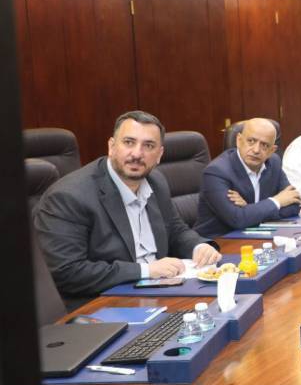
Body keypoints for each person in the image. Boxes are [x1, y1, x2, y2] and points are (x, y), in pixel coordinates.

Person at [34, 111, 221, 309]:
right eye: (129, 142)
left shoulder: (156, 181)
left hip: (160, 292)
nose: (137, 154)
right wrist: (145, 271)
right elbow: (68, 272)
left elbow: (175, 229)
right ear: (111, 146)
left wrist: (198, 247)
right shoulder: (69, 196)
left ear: (159, 155)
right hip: (104, 305)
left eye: (148, 146)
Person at [194, 118, 301, 237]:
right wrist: (277, 201)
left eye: (264, 145)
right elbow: (237, 219)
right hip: (219, 242)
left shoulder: (273, 162)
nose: (256, 150)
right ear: (239, 140)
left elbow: (293, 206)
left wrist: (249, 210)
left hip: (255, 237)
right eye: (251, 141)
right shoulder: (216, 172)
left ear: (272, 150)